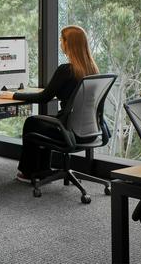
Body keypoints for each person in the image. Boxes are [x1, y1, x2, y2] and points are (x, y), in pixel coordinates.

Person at [14, 25, 99, 182]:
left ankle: (29, 173)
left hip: (69, 131)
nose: (60, 43)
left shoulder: (66, 70)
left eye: (61, 40)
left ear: (68, 44)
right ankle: (42, 169)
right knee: (44, 122)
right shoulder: (93, 70)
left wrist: (14, 95)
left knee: (32, 122)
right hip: (90, 131)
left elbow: (44, 97)